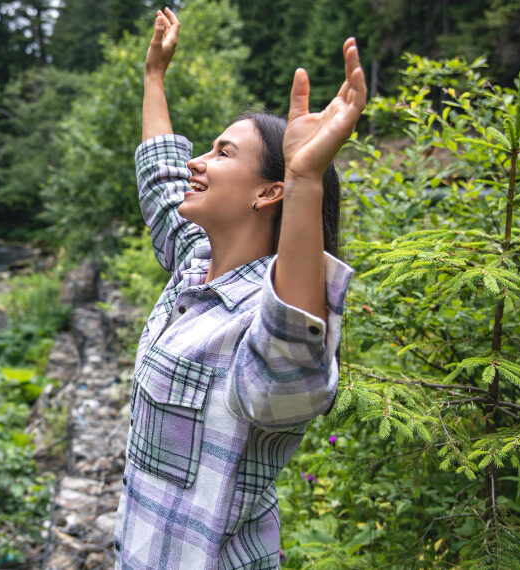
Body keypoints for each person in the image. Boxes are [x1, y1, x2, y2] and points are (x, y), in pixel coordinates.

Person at [113, 6, 367, 569]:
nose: (196, 164)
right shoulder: (196, 262)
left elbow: (288, 353)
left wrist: (305, 179)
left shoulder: (256, 317)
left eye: (222, 153)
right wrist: (154, 75)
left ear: (268, 193)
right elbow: (161, 178)